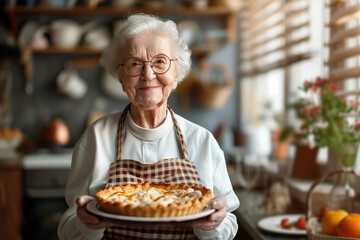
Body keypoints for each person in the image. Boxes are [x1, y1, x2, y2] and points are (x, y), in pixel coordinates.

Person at [58, 13, 240, 240]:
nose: (148, 74)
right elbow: (67, 228)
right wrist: (88, 225)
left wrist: (212, 225)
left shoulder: (202, 142)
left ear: (176, 75)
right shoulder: (96, 138)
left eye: (160, 62)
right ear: (121, 77)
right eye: (135, 63)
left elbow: (229, 223)